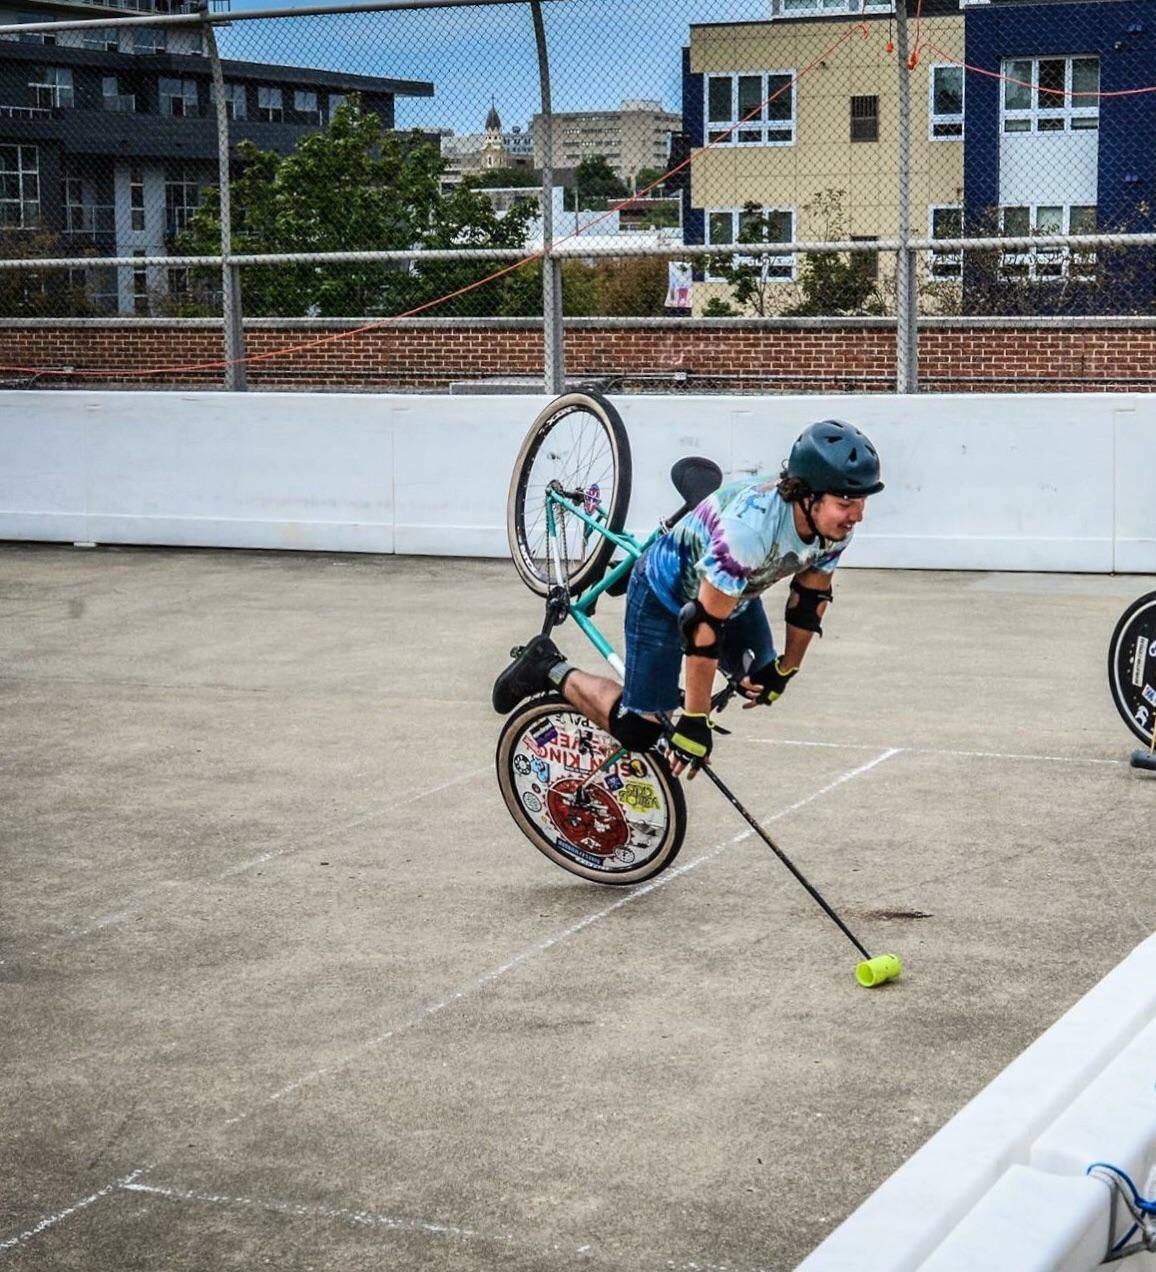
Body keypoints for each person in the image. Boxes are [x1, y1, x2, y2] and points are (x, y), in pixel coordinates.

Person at [492, 419, 883, 779]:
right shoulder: (746, 534)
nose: (857, 516)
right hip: (666, 597)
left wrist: (785, 668)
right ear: (805, 495)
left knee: (755, 677)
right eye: (846, 503)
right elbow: (703, 628)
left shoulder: (832, 528)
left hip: (734, 595)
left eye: (861, 502)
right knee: (641, 728)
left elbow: (809, 597)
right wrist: (695, 720)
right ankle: (547, 667)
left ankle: (668, 576)